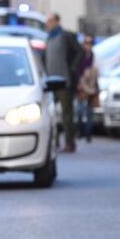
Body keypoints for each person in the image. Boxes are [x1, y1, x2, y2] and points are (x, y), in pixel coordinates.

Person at [44, 12, 84, 153]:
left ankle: (69, 143)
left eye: (50, 21)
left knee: (67, 114)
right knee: (51, 113)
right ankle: (53, 142)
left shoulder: (66, 36)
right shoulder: (48, 38)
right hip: (50, 81)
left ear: (57, 21)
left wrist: (72, 69)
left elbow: (80, 52)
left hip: (64, 80)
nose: (47, 24)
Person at [75, 35, 99, 143]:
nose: (88, 46)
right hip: (81, 85)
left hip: (91, 85)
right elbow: (77, 70)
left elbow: (96, 71)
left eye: (90, 43)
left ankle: (88, 134)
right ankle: (80, 131)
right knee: (79, 110)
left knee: (89, 111)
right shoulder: (80, 56)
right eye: (86, 43)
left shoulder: (94, 56)